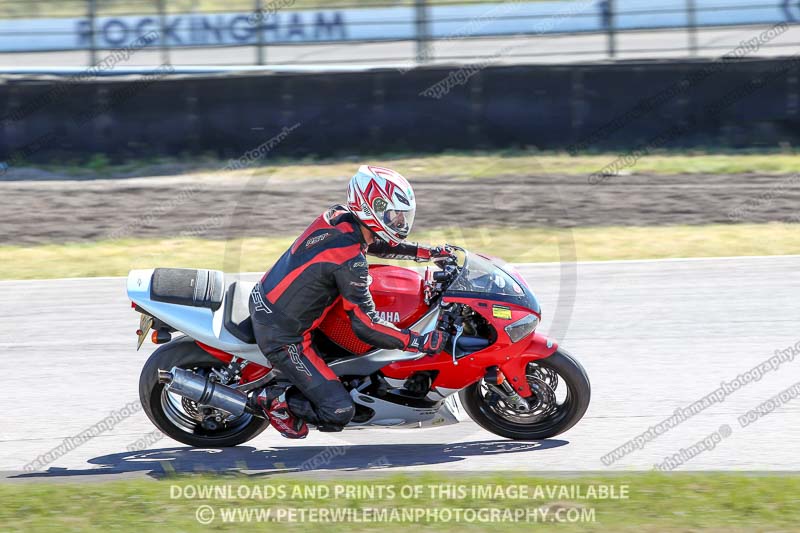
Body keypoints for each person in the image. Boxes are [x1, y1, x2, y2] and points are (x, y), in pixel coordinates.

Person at [249, 165, 453, 438]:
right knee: (338, 411)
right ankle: (274, 400)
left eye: (402, 217)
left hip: (269, 299)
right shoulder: (350, 261)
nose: (400, 223)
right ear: (372, 208)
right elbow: (366, 326)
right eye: (394, 215)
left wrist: (429, 252)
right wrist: (417, 341)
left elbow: (375, 243)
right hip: (284, 336)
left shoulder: (340, 217)